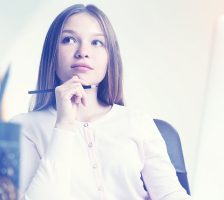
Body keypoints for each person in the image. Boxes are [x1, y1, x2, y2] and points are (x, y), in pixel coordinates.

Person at [11, 4, 191, 200]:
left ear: (109, 58)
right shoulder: (22, 128)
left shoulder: (138, 122)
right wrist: (63, 125)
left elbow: (170, 194)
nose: (83, 52)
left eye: (97, 42)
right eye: (69, 40)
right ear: (52, 54)